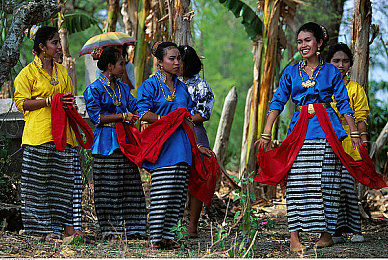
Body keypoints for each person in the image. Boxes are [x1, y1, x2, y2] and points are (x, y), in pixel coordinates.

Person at [255, 22, 363, 252]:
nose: (303, 45)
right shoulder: (291, 72)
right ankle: (295, 238)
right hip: (299, 131)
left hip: (328, 131)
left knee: (327, 182)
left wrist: (354, 133)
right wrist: (266, 132)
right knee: (296, 184)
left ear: (319, 43)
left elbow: (344, 103)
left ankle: (326, 235)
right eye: (300, 41)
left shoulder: (332, 71)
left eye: (308, 40)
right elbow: (277, 102)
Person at [14, 26, 91, 243]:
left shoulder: (62, 72)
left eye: (59, 42)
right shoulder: (27, 73)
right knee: (37, 185)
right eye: (55, 43)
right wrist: (49, 101)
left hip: (64, 136)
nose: (59, 47)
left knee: (64, 184)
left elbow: (69, 98)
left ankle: (62, 229)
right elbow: (22, 103)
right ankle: (42, 230)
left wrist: (68, 104)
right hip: (38, 136)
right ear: (41, 47)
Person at [137, 41, 212, 249]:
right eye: (172, 59)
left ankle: (168, 236)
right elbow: (142, 112)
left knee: (178, 193)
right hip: (163, 146)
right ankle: (155, 238)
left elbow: (187, 120)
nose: (177, 62)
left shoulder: (182, 88)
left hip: (183, 146)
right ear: (160, 62)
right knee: (162, 191)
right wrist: (166, 119)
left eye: (179, 58)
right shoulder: (150, 85)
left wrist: (197, 146)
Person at [83, 47, 147, 239]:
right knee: (107, 188)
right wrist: (122, 116)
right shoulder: (93, 90)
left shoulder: (123, 88)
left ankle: (135, 229)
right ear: (110, 66)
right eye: (121, 64)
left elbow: (136, 105)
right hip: (105, 143)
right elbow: (96, 117)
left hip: (125, 143)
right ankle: (111, 230)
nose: (124, 67)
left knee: (131, 185)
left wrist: (146, 110)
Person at [326, 43, 369, 243]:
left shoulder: (355, 89)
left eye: (345, 61)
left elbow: (361, 118)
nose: (340, 65)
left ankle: (356, 231)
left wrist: (363, 142)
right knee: (330, 188)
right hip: (326, 142)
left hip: (349, 143)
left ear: (351, 64)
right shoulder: (322, 88)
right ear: (328, 63)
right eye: (336, 61)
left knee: (346, 186)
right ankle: (334, 232)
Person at [178, 45, 215, 238]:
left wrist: (183, 120)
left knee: (197, 179)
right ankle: (175, 224)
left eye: (181, 61)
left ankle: (192, 225)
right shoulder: (171, 83)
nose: (177, 64)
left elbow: (204, 114)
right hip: (174, 134)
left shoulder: (200, 85)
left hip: (195, 133)